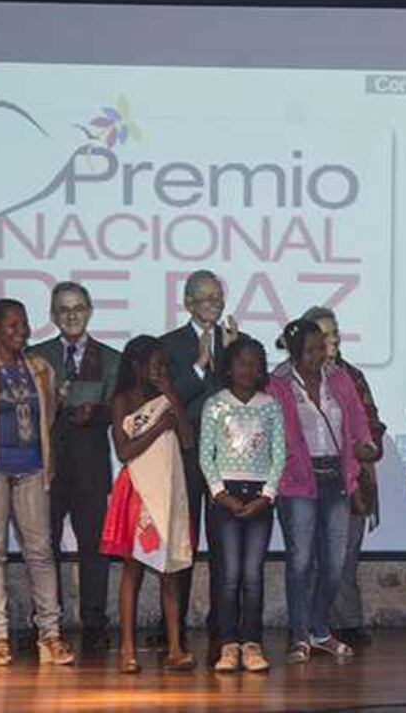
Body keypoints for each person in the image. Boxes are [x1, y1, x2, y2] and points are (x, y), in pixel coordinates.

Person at [0, 300, 75, 667]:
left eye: (23, 324)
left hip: (33, 468)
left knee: (40, 551)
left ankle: (50, 634)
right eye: (12, 325)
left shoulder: (39, 367)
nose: (20, 331)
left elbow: (48, 416)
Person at [268, 319, 376, 664]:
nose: (320, 355)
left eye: (323, 347)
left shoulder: (340, 378)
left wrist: (365, 443)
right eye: (311, 350)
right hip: (297, 481)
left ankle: (319, 629)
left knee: (335, 563)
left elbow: (357, 418)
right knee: (300, 561)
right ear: (295, 353)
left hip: (336, 477)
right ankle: (300, 636)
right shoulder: (277, 384)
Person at [30, 282, 120, 652]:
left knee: (94, 547)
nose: (71, 315)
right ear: (52, 315)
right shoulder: (36, 356)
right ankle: (47, 622)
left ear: (90, 311)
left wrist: (94, 413)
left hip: (91, 463)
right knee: (43, 546)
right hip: (45, 464)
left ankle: (94, 621)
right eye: (64, 309)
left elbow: (117, 408)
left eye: (78, 308)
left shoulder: (111, 358)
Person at [99, 336, 197, 674]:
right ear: (137, 366)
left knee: (170, 572)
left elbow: (187, 440)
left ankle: (175, 647)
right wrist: (156, 429)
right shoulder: (123, 400)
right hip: (139, 491)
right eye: (155, 365)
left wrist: (172, 397)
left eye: (165, 366)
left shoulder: (167, 399)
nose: (160, 371)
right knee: (133, 570)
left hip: (168, 490)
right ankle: (128, 648)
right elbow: (124, 451)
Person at [158, 270, 240, 658]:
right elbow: (169, 398)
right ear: (188, 303)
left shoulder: (235, 342)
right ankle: (173, 627)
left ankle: (222, 624)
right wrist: (200, 366)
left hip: (229, 457)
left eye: (218, 297)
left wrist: (232, 357)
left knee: (224, 542)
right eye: (206, 298)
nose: (214, 304)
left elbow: (245, 395)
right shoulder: (170, 345)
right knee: (183, 540)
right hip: (187, 453)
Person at [200, 338, 285, 674]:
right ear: (229, 368)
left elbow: (279, 454)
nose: (248, 369)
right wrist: (221, 494)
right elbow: (206, 456)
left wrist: (267, 495)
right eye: (241, 362)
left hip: (260, 497)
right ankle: (228, 643)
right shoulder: (215, 404)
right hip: (225, 496)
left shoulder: (270, 405)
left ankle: (252, 642)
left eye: (254, 363)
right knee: (229, 574)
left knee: (252, 574)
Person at [305, 306, 387, 651]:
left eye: (335, 331)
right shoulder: (292, 378)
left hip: (351, 479)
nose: (333, 339)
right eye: (324, 334)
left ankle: (347, 623)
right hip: (308, 480)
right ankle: (313, 626)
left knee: (345, 556)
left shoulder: (352, 376)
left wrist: (368, 447)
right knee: (311, 557)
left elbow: (372, 422)